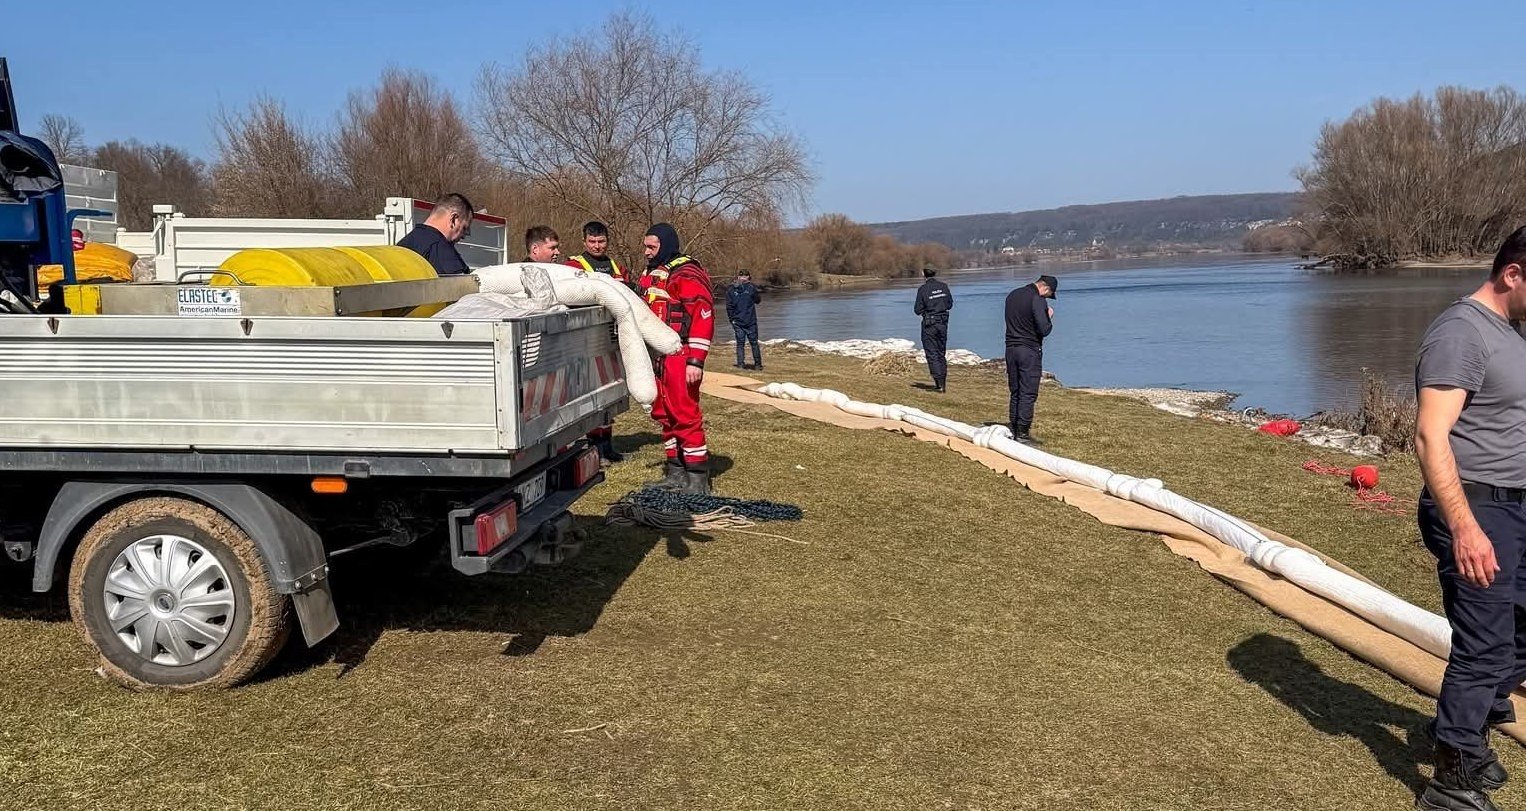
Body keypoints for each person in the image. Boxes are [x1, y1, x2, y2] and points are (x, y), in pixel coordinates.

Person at [1413, 227, 1526, 811]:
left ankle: (1474, 715)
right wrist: (1465, 526)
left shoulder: (1509, 330)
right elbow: (1431, 436)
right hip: (1476, 508)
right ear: (1513, 274)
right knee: (1484, 644)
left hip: (1516, 503)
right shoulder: (1460, 333)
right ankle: (1451, 775)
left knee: (1517, 630)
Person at [638, 223, 715, 495]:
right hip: (657, 355)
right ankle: (676, 472)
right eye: (645, 247)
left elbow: (703, 316)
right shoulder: (652, 273)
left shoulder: (687, 273)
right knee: (664, 413)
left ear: (666, 245)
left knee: (685, 413)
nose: (646, 252)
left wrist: (696, 360)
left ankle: (697, 479)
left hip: (680, 355)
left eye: (652, 247)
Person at [564, 222, 626, 464]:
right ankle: (592, 448)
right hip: (586, 340)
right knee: (591, 395)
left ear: (607, 241)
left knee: (610, 394)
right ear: (584, 242)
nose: (597, 246)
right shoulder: (574, 265)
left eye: (601, 242)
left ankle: (607, 445)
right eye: (592, 242)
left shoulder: (616, 267)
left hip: (611, 338)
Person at [1004, 274, 1058, 444]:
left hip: (1011, 348)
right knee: (1028, 391)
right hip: (1029, 349)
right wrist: (1048, 316)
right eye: (1049, 295)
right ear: (1046, 288)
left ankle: (1014, 426)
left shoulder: (1012, 295)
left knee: (1016, 389)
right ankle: (1023, 433)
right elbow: (1044, 329)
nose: (1047, 298)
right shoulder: (1037, 299)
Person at [397, 193, 474, 275]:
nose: (463, 236)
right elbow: (462, 286)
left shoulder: (402, 245)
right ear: (453, 219)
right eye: (464, 228)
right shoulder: (442, 251)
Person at [913, 267, 953, 391]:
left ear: (923, 274)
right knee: (941, 352)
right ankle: (943, 383)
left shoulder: (923, 289)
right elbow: (950, 304)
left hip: (929, 324)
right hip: (943, 323)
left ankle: (939, 384)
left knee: (932, 353)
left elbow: (917, 310)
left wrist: (928, 310)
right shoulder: (944, 286)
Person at [726, 270, 763, 370]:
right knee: (754, 343)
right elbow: (758, 300)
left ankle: (741, 364)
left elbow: (729, 307)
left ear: (738, 277)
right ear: (748, 277)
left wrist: (731, 320)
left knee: (740, 344)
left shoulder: (731, 289)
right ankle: (758, 365)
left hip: (737, 321)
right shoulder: (751, 288)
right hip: (750, 321)